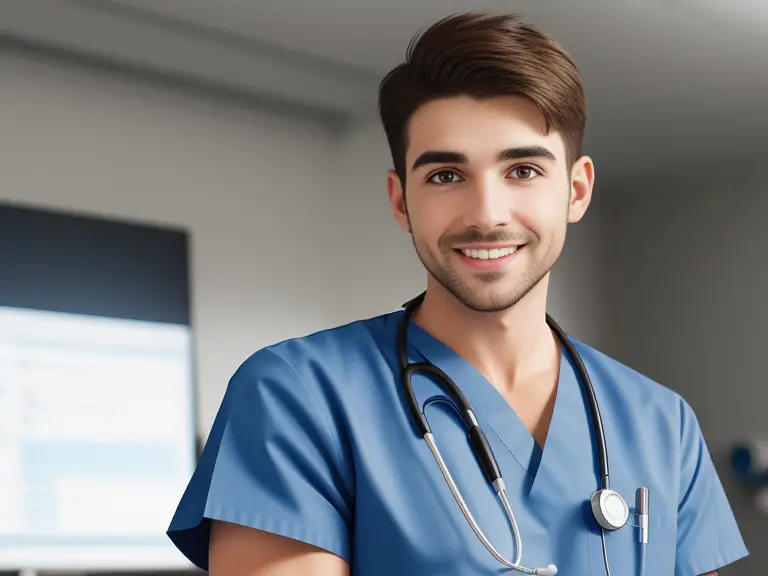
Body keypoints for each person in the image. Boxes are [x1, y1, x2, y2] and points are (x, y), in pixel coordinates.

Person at [166, 12, 749, 576]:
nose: (487, 215)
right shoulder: (297, 397)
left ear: (576, 191)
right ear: (401, 201)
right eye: (446, 175)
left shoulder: (661, 423)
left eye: (522, 170)